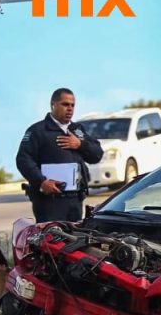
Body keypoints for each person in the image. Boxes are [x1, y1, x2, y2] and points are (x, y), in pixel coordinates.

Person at [16, 88, 104, 223]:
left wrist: (80, 145)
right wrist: (41, 182)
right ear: (53, 104)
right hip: (50, 201)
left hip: (75, 200)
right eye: (65, 104)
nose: (70, 109)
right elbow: (23, 159)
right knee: (52, 241)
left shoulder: (77, 130)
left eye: (72, 105)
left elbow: (97, 155)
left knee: (74, 240)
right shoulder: (38, 130)